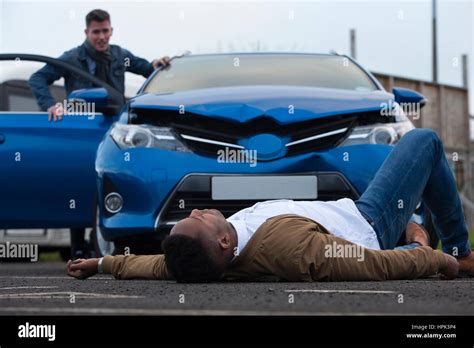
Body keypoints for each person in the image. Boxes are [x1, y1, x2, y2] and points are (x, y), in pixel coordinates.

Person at [67, 128, 472, 282]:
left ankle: (421, 229)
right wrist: (432, 257)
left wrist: (101, 264)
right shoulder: (291, 251)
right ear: (223, 243)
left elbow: (151, 264)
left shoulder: (200, 256)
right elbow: (373, 265)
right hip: (370, 221)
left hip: (349, 210)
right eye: (199, 219)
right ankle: (459, 248)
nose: (194, 212)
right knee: (425, 142)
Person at [29, 9, 170, 260]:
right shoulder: (72, 58)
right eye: (96, 32)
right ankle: (77, 247)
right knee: (80, 183)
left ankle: (117, 242)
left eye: (105, 31)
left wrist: (157, 66)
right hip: (82, 132)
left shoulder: (120, 56)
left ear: (111, 30)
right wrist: (50, 104)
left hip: (115, 132)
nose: (101, 37)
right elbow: (38, 78)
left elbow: (147, 69)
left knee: (113, 183)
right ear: (87, 32)